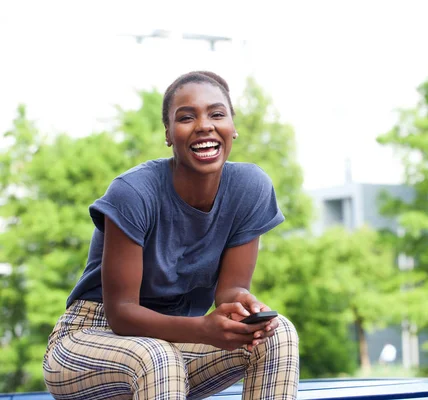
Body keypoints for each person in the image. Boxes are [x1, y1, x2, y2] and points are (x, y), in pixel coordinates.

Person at [42, 71, 299, 400]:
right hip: (88, 339)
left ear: (233, 127)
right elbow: (121, 313)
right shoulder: (134, 192)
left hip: (175, 344)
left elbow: (231, 291)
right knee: (159, 359)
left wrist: (242, 309)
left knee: (278, 336)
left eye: (217, 114)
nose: (204, 125)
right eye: (186, 117)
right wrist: (204, 329)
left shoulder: (250, 188)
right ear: (168, 133)